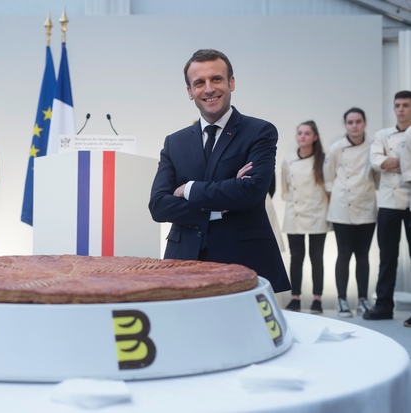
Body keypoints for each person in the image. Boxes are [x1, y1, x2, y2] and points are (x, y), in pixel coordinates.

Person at [148, 49, 290, 293]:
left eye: (216, 79)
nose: (209, 89)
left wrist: (189, 189)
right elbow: (159, 205)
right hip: (183, 263)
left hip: (243, 259)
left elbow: (251, 191)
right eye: (199, 83)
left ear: (231, 83)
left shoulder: (260, 132)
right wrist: (221, 201)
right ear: (190, 92)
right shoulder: (175, 142)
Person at [324, 108, 377, 317]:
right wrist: (332, 201)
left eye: (358, 121)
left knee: (363, 256)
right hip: (342, 207)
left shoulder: (374, 146)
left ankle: (363, 299)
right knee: (344, 254)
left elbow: (377, 175)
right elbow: (328, 178)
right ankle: (342, 300)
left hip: (366, 205)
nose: (354, 126)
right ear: (345, 125)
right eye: (350, 122)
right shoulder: (336, 148)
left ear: (364, 123)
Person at [363, 91, 411, 321]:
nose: (401, 109)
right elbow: (375, 162)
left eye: (406, 105)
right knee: (387, 256)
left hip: (410, 199)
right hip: (388, 202)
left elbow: (384, 163)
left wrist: (390, 164)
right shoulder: (382, 134)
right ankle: (383, 306)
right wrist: (405, 164)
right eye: (398, 105)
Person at [281, 121, 330, 314]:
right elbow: (284, 187)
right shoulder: (288, 160)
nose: (302, 136)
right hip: (295, 213)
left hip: (318, 213)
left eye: (307, 133)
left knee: (317, 258)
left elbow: (329, 189)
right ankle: (295, 297)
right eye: (299, 133)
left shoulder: (323, 160)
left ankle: (317, 299)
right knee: (296, 257)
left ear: (315, 137)